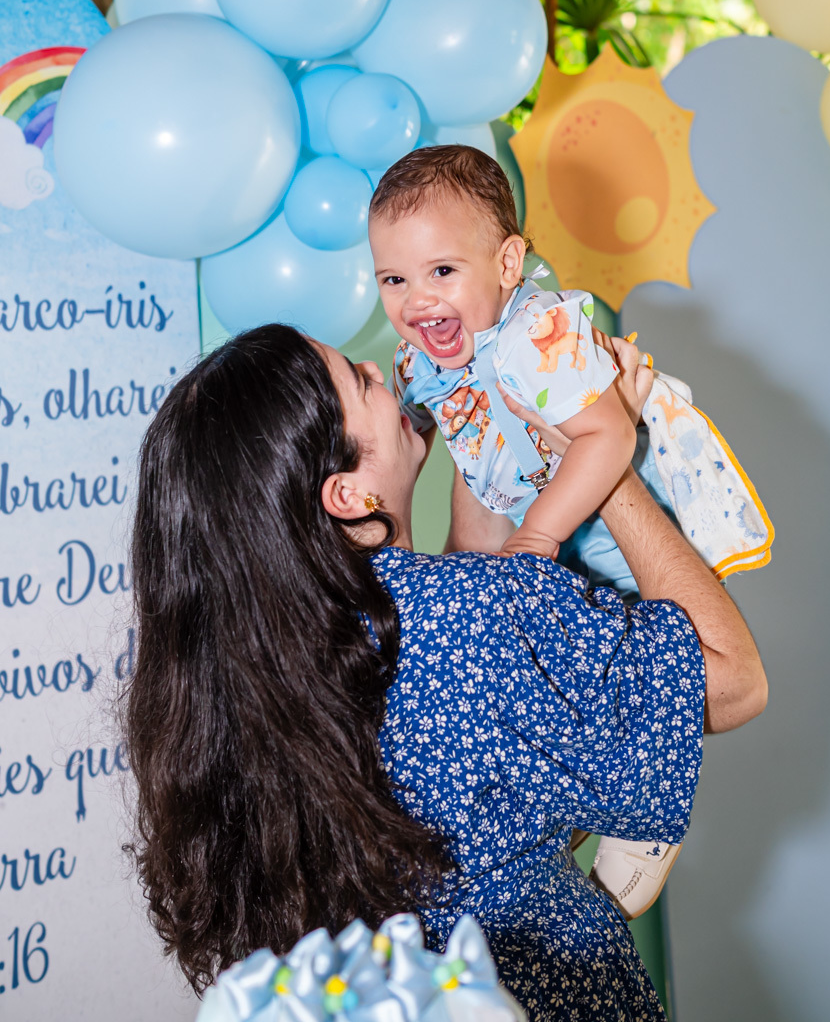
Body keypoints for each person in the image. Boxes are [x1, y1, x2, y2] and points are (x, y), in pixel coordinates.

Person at [123, 323, 766, 1020]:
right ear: (344, 495)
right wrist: (603, 457)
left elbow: (468, 590)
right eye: (361, 381)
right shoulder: (470, 621)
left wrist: (482, 428)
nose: (379, 369)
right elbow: (733, 680)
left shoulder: (249, 674)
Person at [367, 143, 773, 914]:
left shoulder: (536, 336)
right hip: (551, 514)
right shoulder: (428, 357)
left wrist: (539, 539)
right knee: (562, 680)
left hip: (601, 529)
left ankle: (641, 806)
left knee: (631, 652)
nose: (417, 299)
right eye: (394, 279)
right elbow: (465, 438)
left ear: (509, 263)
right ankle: (602, 802)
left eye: (442, 271)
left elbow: (609, 439)